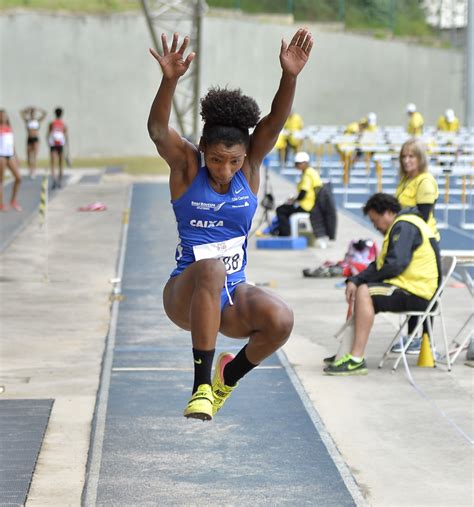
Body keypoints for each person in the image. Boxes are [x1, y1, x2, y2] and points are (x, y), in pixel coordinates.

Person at [147, 29, 313, 420]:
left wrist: (289, 77)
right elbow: (157, 131)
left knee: (281, 320)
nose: (225, 170)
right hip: (186, 293)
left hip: (232, 295)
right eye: (218, 160)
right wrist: (168, 81)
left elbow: (274, 122)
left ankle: (227, 376)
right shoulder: (188, 167)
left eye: (234, 161)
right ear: (203, 149)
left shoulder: (250, 167)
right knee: (211, 269)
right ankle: (201, 386)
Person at [323, 193, 441, 376]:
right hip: (413, 289)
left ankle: (355, 359)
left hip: (418, 293)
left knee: (365, 292)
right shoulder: (402, 225)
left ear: (387, 213)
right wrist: (356, 279)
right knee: (362, 289)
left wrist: (361, 282)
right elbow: (381, 264)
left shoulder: (405, 226)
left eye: (374, 220)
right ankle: (346, 352)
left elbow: (395, 265)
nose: (375, 226)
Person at [392, 138, 440, 353]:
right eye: (404, 156)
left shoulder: (425, 181)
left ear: (420, 158)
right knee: (411, 289)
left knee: (426, 292)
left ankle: (426, 340)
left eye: (411, 156)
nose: (407, 160)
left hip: (425, 245)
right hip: (408, 243)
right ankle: (412, 337)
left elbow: (423, 214)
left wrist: (396, 214)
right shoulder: (405, 181)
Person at [273, 151, 322, 236]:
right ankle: (285, 230)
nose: (296, 166)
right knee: (286, 208)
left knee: (281, 210)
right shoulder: (311, 172)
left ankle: (284, 234)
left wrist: (294, 201)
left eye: (298, 163)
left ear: (305, 163)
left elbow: (303, 193)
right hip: (311, 204)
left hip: (307, 206)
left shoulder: (307, 175)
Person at [0, 109, 22, 211]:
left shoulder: (9, 128)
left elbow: (12, 144)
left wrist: (16, 156)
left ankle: (13, 201)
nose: (3, 117)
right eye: (2, 115)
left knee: (18, 178)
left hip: (10, 155)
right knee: (1, 181)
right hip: (1, 156)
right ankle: (1, 204)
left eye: (5, 115)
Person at [20, 106, 47, 179]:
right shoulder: (28, 121)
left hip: (35, 139)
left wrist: (38, 109)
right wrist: (28, 109)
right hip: (29, 139)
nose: (33, 115)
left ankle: (34, 171)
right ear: (30, 114)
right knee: (29, 156)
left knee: (34, 156)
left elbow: (45, 113)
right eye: (32, 113)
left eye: (34, 113)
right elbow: (21, 113)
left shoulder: (37, 121)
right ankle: (30, 170)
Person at [47, 107, 68, 189]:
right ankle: (60, 181)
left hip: (53, 144)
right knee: (60, 163)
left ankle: (54, 181)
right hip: (61, 144)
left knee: (53, 163)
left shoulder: (52, 123)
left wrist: (49, 143)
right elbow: (66, 135)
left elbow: (48, 134)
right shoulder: (63, 124)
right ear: (61, 114)